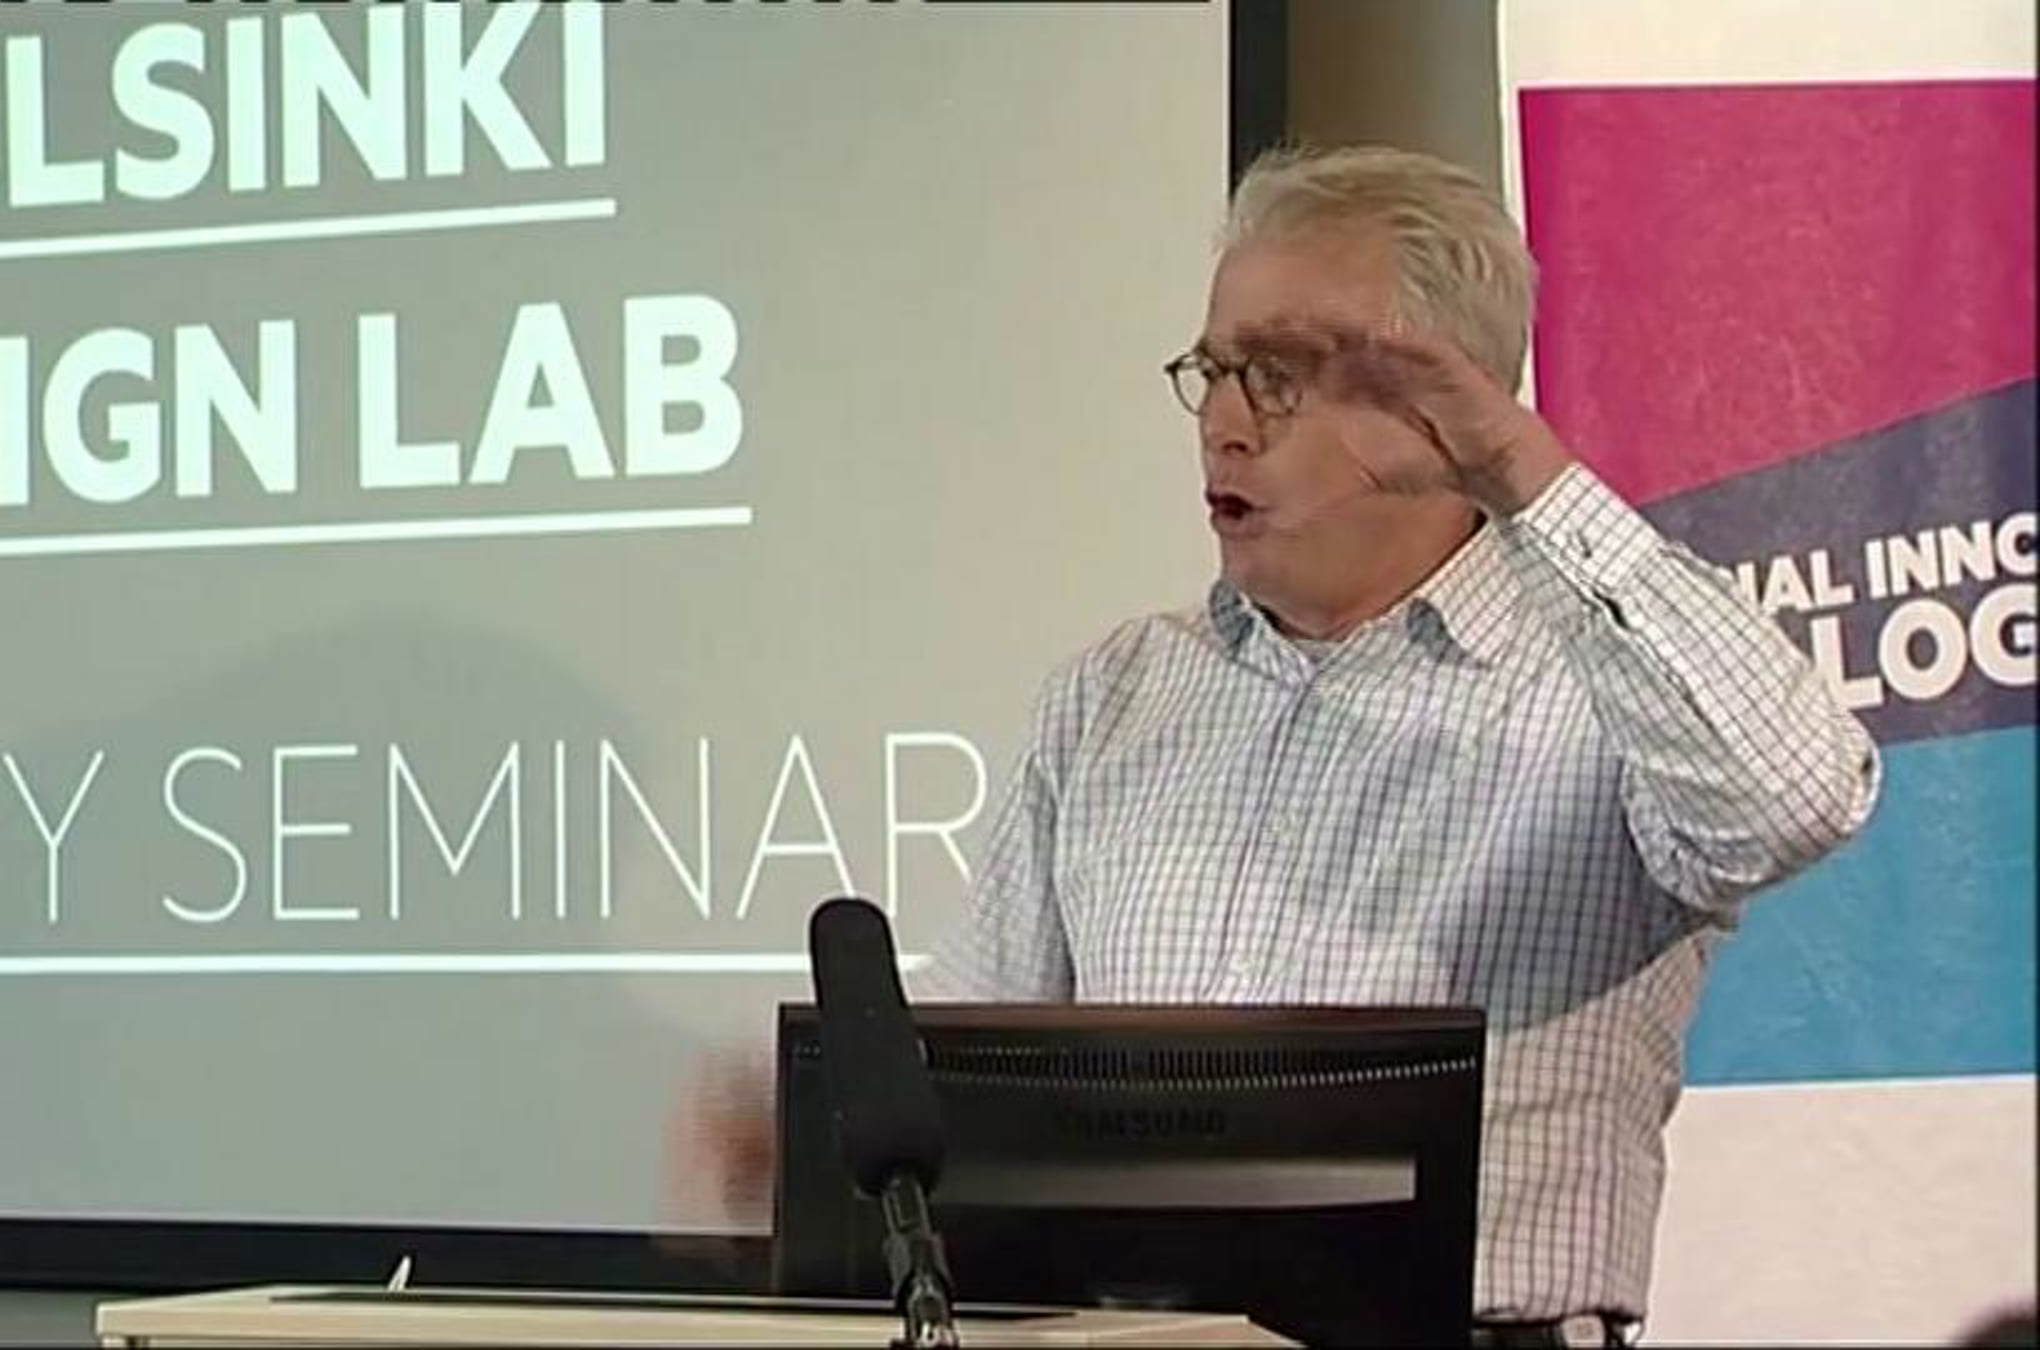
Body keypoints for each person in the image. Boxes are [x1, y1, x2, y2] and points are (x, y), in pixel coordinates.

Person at [679, 144, 1881, 1348]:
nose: (1222, 423)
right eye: (1213, 370)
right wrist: (806, 1126)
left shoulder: (1602, 692)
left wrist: (1521, 467)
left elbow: (1795, 801)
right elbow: (985, 1039)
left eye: (1277, 377)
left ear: (1447, 406)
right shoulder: (1120, 691)